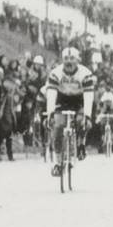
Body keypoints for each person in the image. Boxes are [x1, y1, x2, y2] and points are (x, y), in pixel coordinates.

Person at [44, 46, 96, 175]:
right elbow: (51, 95)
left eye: (72, 58)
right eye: (66, 59)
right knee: (58, 126)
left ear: (78, 60)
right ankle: (57, 162)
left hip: (80, 100)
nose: (69, 62)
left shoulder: (86, 73)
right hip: (62, 99)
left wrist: (87, 117)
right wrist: (50, 113)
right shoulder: (55, 73)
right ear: (62, 60)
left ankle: (81, 143)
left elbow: (89, 97)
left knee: (81, 122)